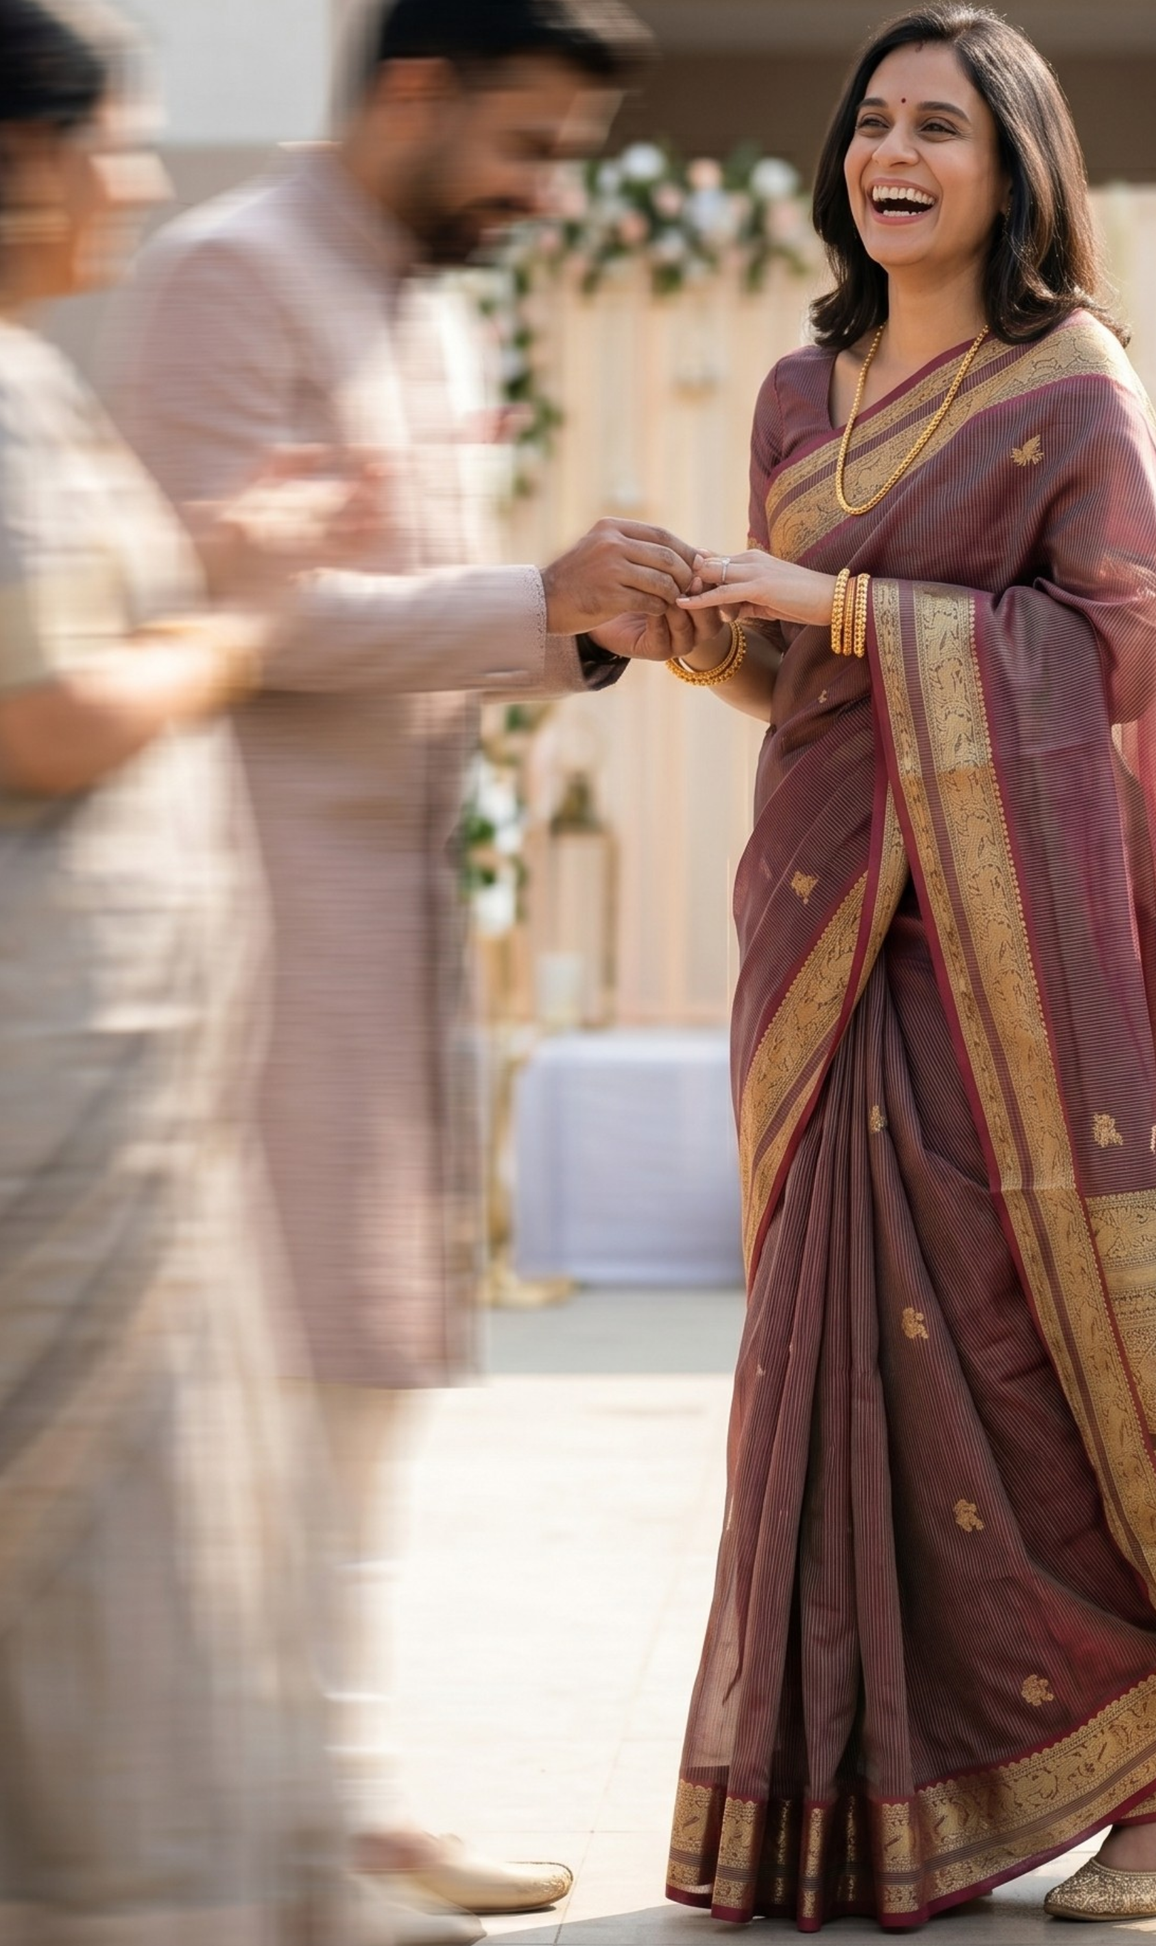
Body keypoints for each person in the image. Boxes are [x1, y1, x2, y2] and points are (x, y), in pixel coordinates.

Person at [645, 6, 1156, 1928]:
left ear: (1014, 171)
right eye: (871, 124)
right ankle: (881, 1793)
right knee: (837, 1369)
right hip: (826, 937)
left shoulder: (1072, 391)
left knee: (1011, 1356)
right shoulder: (795, 396)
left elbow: (1121, 663)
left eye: (941, 129)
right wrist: (712, 632)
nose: (892, 155)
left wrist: (835, 602)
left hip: (1013, 974)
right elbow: (801, 681)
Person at [104, 0, 687, 1926]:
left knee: (360, 1369)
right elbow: (223, 610)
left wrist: (558, 629)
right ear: (415, 93)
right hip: (251, 920)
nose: (542, 189)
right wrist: (539, 605)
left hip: (383, 915)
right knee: (261, 1377)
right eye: (526, 143)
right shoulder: (227, 274)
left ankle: (333, 1789)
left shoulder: (422, 300)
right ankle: (254, 1804)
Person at [0, 2, 369, 1939]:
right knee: (106, 1593)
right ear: (22, 155)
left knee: (174, 1590)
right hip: (46, 1120)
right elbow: (42, 715)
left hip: (121, 1113)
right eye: (117, 144)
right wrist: (235, 619)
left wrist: (221, 561)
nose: (140, 181)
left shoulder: (34, 386)